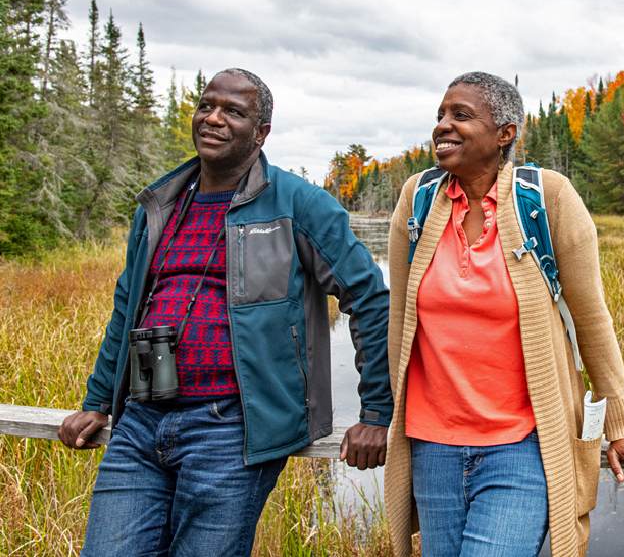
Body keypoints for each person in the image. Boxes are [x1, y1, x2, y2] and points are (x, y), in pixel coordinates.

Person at [56, 68, 391, 556]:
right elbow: (127, 307)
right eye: (206, 105)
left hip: (232, 431)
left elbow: (368, 297)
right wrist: (97, 401)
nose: (213, 118)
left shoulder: (299, 203)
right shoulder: (160, 203)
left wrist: (376, 411)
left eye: (233, 111)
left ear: (261, 133)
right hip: (141, 421)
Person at [384, 71, 624, 557]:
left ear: (505, 133)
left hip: (520, 447)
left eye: (461, 115)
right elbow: (396, 320)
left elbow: (591, 318)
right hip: (431, 445)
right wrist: (380, 412)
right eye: (440, 115)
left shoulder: (548, 197)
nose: (442, 126)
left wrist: (622, 426)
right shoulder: (419, 197)